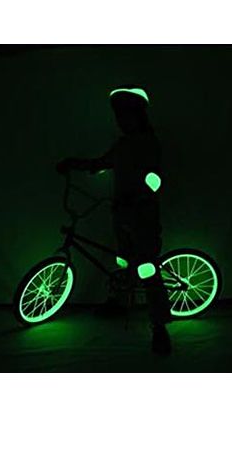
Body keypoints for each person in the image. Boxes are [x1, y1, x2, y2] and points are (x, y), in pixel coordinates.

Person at [56, 85, 172, 355]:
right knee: (123, 259)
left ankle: (159, 327)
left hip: (142, 216)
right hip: (122, 214)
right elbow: (101, 163)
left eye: (126, 116)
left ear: (139, 116)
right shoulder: (122, 144)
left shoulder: (148, 143)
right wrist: (74, 163)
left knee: (147, 268)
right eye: (119, 117)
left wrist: (141, 196)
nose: (121, 121)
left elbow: (155, 178)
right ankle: (120, 301)